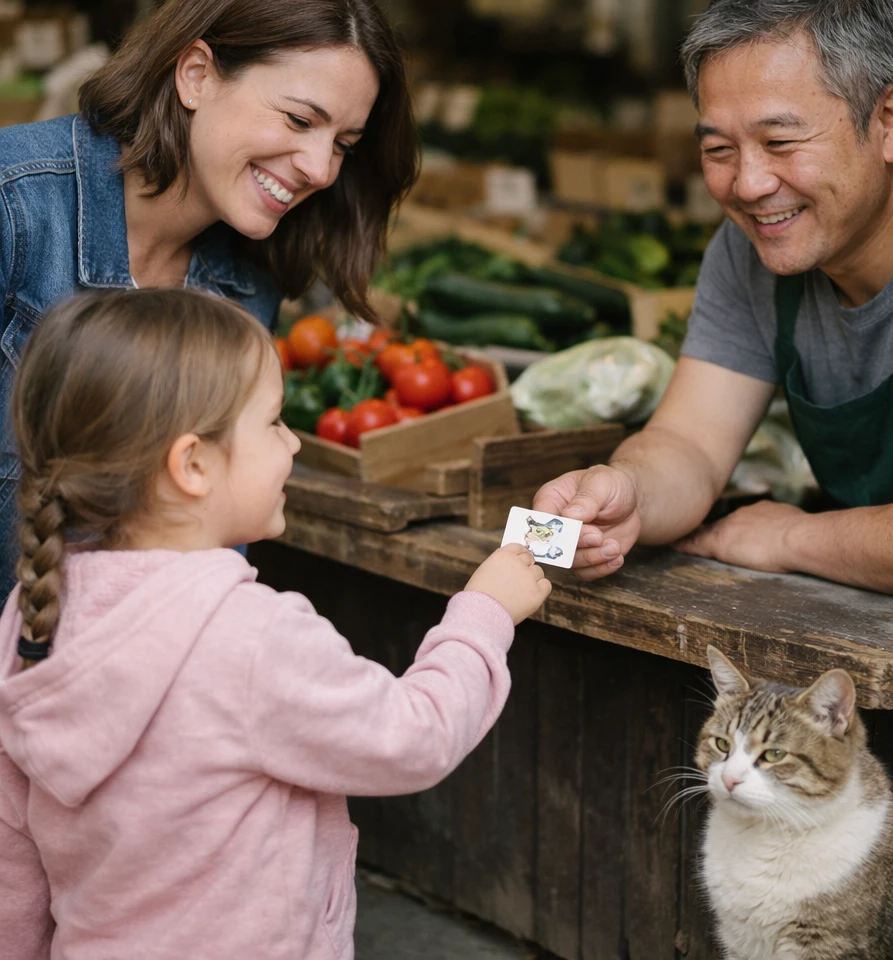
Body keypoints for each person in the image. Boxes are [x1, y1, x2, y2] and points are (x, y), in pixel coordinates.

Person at [0, 288, 551, 960]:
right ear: (193, 464)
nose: (293, 441)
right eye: (273, 423)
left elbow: (13, 860)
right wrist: (484, 612)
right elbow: (415, 735)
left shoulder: (32, 612)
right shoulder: (250, 637)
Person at [0, 0, 418, 598]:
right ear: (195, 74)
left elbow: (208, 552)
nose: (321, 169)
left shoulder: (245, 287)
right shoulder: (14, 206)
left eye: (342, 143)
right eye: (299, 118)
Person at [535, 0, 893, 598]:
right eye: (718, 150)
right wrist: (627, 492)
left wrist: (793, 538)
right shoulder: (750, 250)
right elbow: (691, 444)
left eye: (781, 143)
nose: (749, 185)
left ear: (889, 120)